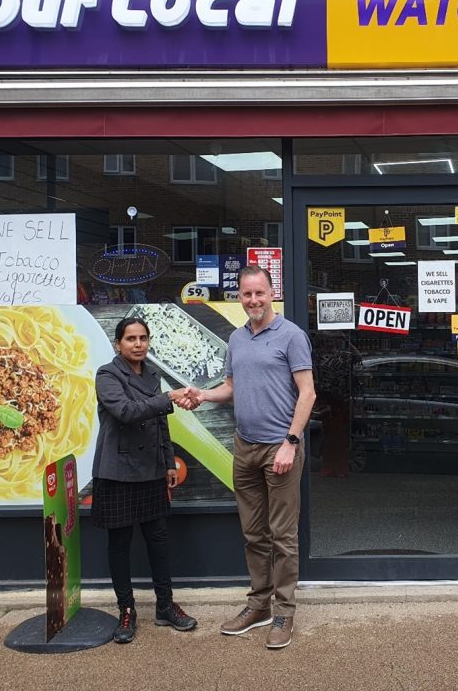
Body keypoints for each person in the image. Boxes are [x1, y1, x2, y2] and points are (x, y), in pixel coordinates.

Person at [182, 265, 316, 649]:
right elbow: (231, 388)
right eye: (246, 295)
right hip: (245, 446)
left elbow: (307, 393)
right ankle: (258, 605)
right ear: (238, 297)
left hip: (280, 447)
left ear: (271, 292)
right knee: (253, 533)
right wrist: (204, 395)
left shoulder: (291, 336)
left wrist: (291, 441)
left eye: (259, 293)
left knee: (283, 536)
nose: (253, 301)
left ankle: (284, 612)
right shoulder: (237, 339)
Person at [92, 317, 198, 644]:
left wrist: (168, 462)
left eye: (143, 338)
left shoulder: (152, 375)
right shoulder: (107, 375)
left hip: (151, 470)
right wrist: (168, 399)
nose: (138, 344)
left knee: (159, 540)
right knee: (120, 543)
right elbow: (126, 411)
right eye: (130, 339)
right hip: (118, 470)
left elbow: (160, 423)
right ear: (118, 344)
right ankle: (126, 610)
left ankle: (165, 605)